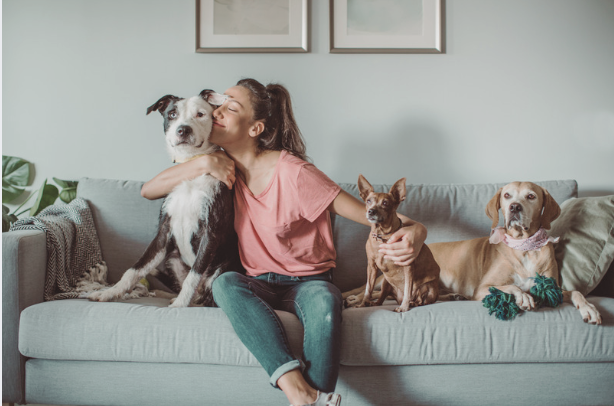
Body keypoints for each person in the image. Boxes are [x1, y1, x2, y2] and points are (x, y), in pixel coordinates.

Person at [141, 78, 427, 406]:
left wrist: (418, 231)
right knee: (225, 285)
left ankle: (311, 398)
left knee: (325, 304)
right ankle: (300, 392)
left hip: (308, 283)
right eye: (219, 105)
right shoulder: (219, 165)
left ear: (254, 128)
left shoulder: (295, 173)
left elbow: (371, 215)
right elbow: (149, 190)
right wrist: (203, 162)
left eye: (230, 107)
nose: (217, 111)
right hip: (256, 283)